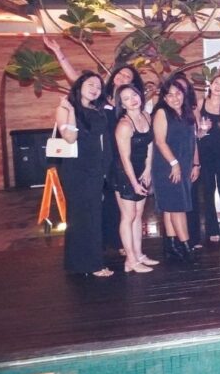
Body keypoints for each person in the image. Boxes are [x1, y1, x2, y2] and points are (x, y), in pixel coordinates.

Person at [55, 71, 113, 276]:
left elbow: (102, 141)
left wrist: (105, 168)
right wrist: (72, 111)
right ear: (79, 86)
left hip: (95, 168)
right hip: (76, 169)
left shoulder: (98, 110)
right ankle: (92, 265)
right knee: (80, 216)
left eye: (98, 86)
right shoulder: (65, 108)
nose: (95, 89)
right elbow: (69, 137)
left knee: (93, 215)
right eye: (91, 84)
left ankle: (81, 263)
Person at [151, 77, 199, 259]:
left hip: (183, 165)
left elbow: (193, 141)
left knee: (171, 207)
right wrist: (174, 164)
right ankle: (186, 247)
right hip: (167, 166)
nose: (174, 98)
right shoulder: (162, 113)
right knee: (178, 207)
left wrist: (196, 164)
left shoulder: (187, 114)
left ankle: (171, 246)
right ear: (164, 98)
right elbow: (160, 142)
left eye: (177, 93)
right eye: (169, 95)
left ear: (184, 94)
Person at [112, 84, 156, 272]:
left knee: (139, 215)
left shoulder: (146, 116)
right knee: (128, 216)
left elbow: (150, 145)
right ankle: (130, 260)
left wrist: (148, 169)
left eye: (134, 95)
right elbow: (125, 159)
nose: (132, 100)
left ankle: (138, 254)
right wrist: (134, 183)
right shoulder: (124, 125)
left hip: (141, 171)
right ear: (122, 104)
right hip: (125, 173)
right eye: (126, 98)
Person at [197, 73, 220, 242]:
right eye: (216, 83)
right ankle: (212, 228)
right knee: (208, 189)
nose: (218, 86)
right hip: (205, 151)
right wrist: (201, 131)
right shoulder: (201, 103)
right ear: (210, 85)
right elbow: (194, 131)